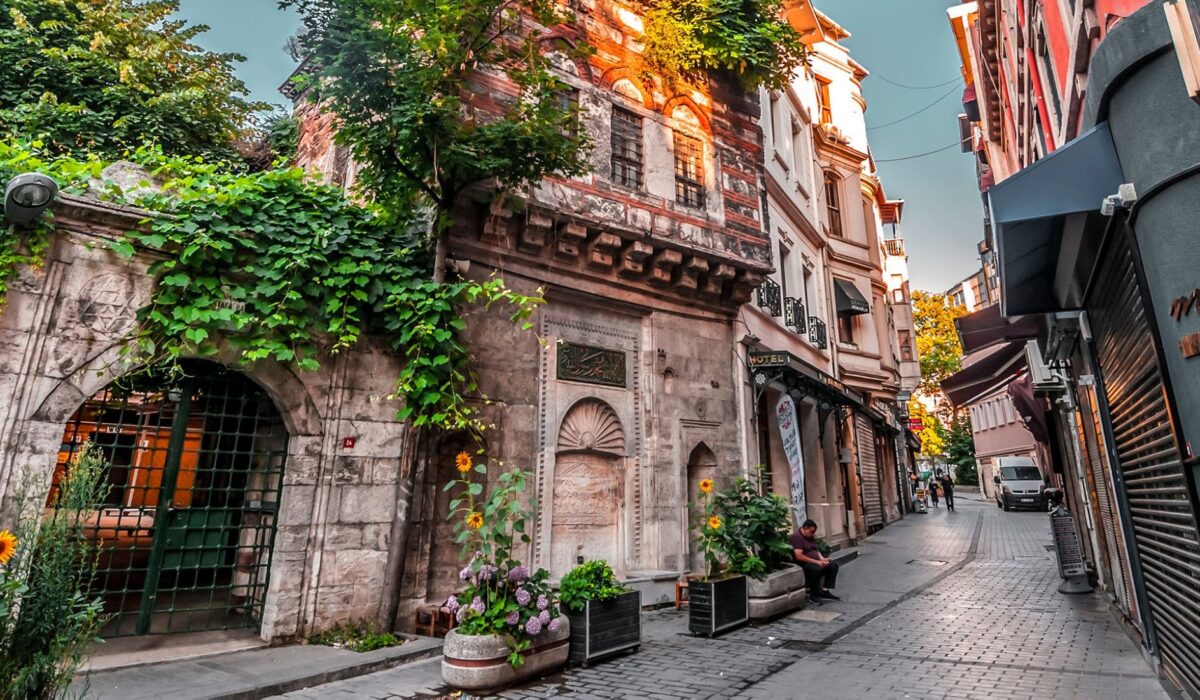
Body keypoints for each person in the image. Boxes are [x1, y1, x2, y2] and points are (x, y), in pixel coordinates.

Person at [790, 519, 840, 603]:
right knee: (816, 569)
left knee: (833, 565)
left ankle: (825, 591)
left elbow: (816, 550)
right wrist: (817, 562)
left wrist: (822, 559)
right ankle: (813, 594)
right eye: (811, 531)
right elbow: (799, 556)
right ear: (805, 528)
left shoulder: (809, 536)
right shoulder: (797, 537)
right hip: (804, 564)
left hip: (815, 561)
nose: (812, 534)